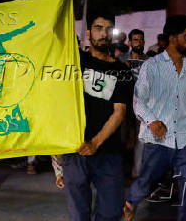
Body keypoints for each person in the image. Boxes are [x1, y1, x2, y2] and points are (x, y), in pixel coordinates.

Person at [124, 15, 186, 221]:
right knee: (148, 181)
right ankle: (130, 200)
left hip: (184, 138)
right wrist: (153, 121)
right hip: (159, 140)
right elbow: (138, 101)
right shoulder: (152, 66)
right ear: (173, 38)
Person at [62, 11, 129, 221]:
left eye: (109, 29)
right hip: (74, 150)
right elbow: (54, 37)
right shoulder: (74, 61)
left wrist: (95, 143)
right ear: (89, 33)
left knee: (110, 213)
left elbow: (120, 112)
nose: (104, 33)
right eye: (98, 28)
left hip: (108, 151)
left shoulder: (121, 69)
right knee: (78, 215)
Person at [119, 29, 148, 178]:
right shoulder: (121, 60)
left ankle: (137, 173)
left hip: (143, 106)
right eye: (135, 40)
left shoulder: (150, 61)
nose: (139, 42)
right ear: (130, 42)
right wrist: (123, 68)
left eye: (141, 40)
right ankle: (120, 172)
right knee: (122, 138)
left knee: (141, 140)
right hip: (123, 106)